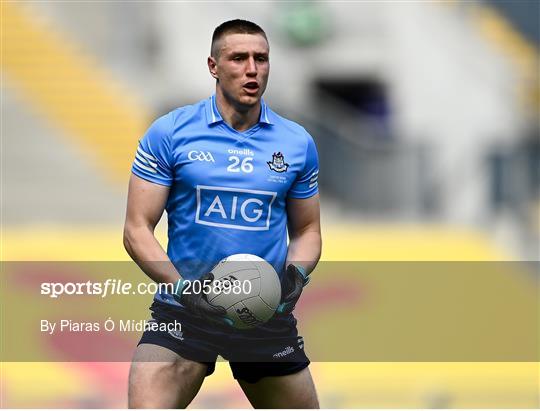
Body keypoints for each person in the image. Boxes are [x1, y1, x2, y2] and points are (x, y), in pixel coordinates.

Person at [123, 19, 321, 409]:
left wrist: (295, 276)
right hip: (185, 310)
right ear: (214, 66)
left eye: (261, 58)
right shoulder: (170, 133)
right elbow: (136, 230)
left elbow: (308, 230)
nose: (252, 68)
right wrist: (185, 290)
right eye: (239, 58)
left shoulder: (297, 143)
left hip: (264, 312)